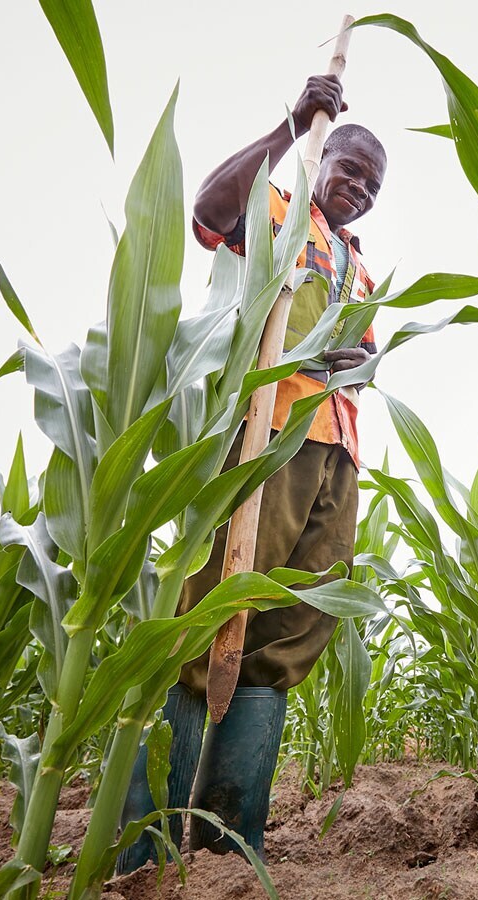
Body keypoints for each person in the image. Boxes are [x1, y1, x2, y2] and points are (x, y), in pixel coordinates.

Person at [119, 74, 386, 871]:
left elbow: (363, 360)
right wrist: (291, 124)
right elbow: (206, 210)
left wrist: (357, 358)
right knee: (208, 622)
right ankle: (145, 848)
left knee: (289, 629)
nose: (360, 191)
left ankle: (232, 844)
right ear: (321, 159)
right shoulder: (275, 213)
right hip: (264, 432)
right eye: (350, 171)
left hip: (334, 450)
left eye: (373, 186)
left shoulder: (357, 267)